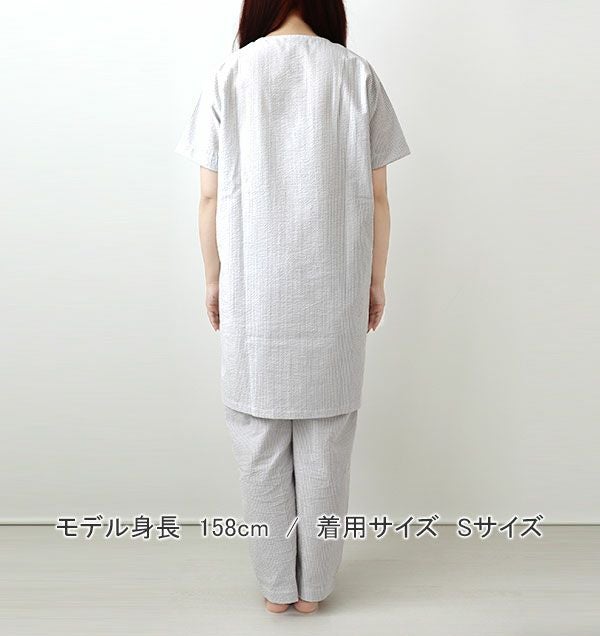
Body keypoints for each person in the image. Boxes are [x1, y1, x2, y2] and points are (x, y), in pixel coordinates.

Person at [175, 0, 410, 615]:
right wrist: (375, 280)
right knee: (327, 445)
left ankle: (277, 588)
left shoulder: (229, 75)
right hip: (334, 289)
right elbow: (379, 198)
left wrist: (213, 279)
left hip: (254, 291)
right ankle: (315, 590)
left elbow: (209, 198)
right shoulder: (355, 74)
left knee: (258, 446)